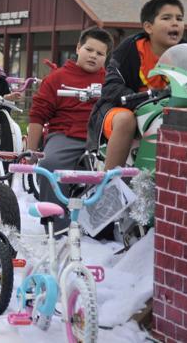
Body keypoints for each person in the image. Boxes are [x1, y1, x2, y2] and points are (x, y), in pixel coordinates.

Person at [26, 27, 113, 230]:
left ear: (106, 57)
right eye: (89, 50)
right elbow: (38, 115)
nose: (93, 56)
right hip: (66, 135)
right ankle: (55, 224)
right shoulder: (57, 78)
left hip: (101, 138)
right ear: (78, 48)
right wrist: (31, 150)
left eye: (100, 53)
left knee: (116, 172)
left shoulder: (110, 82)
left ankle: (105, 228)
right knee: (50, 163)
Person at [87, 0, 185, 170]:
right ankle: (110, 185)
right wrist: (143, 98)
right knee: (126, 120)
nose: (175, 23)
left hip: (165, 113)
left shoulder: (186, 53)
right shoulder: (129, 50)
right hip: (124, 109)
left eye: (179, 18)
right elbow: (111, 89)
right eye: (166, 18)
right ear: (148, 27)